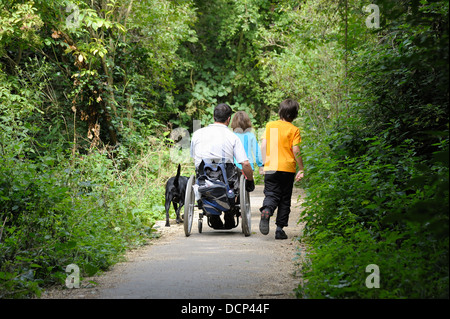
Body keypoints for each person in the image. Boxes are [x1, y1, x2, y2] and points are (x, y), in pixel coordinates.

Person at [190, 103, 255, 229]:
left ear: (213, 117)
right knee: (238, 174)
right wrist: (250, 180)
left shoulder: (198, 134)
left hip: (204, 175)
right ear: (229, 119)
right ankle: (229, 211)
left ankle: (212, 212)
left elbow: (194, 158)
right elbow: (245, 163)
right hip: (226, 177)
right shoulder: (232, 137)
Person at [259, 99, 304, 239]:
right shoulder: (294, 130)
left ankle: (267, 210)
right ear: (294, 115)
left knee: (271, 194)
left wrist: (264, 164)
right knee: (285, 198)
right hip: (287, 168)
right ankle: (279, 230)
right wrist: (301, 168)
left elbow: (263, 145)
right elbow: (295, 149)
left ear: (280, 111)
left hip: (271, 166)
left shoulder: (271, 125)